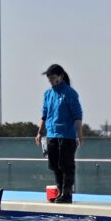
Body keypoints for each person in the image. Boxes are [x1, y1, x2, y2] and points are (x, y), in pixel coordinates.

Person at [34, 64, 83, 204]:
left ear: (61, 76)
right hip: (51, 135)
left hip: (67, 136)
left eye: (53, 78)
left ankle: (67, 194)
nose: (51, 81)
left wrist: (79, 134)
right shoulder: (48, 94)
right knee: (54, 165)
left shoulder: (70, 93)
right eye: (49, 79)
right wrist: (40, 132)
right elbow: (44, 114)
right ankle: (60, 191)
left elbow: (77, 115)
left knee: (65, 165)